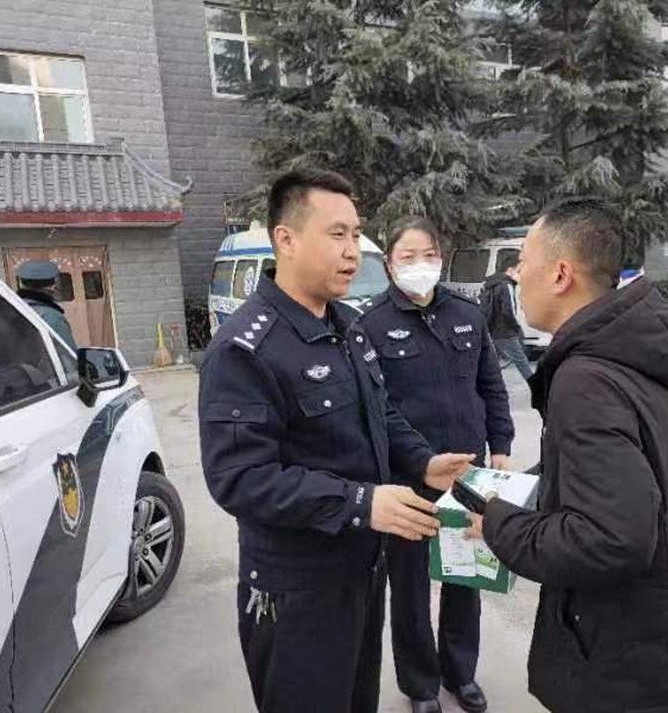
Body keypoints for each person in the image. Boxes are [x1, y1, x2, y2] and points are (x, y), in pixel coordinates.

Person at [198, 168, 473, 713]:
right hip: (296, 589)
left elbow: (380, 413)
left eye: (356, 234)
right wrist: (362, 502)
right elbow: (240, 479)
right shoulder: (244, 350)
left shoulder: (347, 325)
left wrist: (423, 461)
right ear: (286, 239)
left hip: (361, 571)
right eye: (337, 234)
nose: (352, 251)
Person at [466, 198, 668, 713]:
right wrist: (522, 488)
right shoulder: (633, 346)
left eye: (523, 260)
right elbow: (618, 470)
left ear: (561, 274)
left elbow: (611, 539)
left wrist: (498, 524)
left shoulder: (586, 378)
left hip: (628, 671)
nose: (516, 275)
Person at [359, 218, 514, 713]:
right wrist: (420, 461)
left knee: (465, 577)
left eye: (427, 254)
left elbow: (490, 385)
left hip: (468, 473)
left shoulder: (466, 314)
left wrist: (501, 443)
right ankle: (421, 686)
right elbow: (377, 411)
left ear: (441, 259)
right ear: (389, 264)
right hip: (408, 479)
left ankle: (460, 673)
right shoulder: (370, 324)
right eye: (407, 256)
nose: (419, 264)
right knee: (409, 590)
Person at [480, 255, 534, 381]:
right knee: (522, 361)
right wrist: (517, 328)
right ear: (510, 270)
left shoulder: (491, 283)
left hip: (492, 328)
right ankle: (537, 387)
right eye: (518, 271)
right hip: (506, 331)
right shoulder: (506, 285)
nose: (520, 274)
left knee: (491, 362)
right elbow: (509, 311)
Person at [16, 260, 78, 351]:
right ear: (52, 286)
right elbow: (67, 354)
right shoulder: (51, 317)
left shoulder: (12, 310)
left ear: (21, 284)